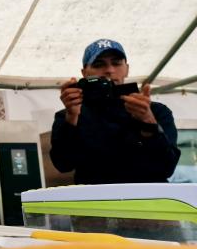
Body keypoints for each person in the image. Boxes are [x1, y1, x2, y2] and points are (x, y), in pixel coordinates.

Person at [50, 39, 181, 184]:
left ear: (127, 68)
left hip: (147, 201)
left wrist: (148, 123)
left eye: (116, 63)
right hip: (95, 203)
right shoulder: (69, 114)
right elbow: (63, 164)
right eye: (99, 64)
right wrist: (71, 119)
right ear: (84, 72)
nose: (109, 70)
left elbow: (166, 168)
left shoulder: (156, 111)